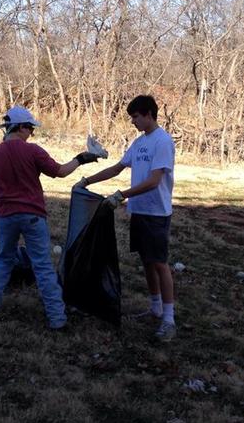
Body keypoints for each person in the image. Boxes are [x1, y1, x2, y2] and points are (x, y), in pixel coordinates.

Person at [0, 106, 99, 329]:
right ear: (19, 127)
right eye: (30, 128)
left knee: (2, 262)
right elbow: (60, 172)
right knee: (42, 267)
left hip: (6, 217)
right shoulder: (33, 151)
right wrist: (81, 158)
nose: (31, 133)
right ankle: (58, 320)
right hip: (33, 216)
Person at [74, 95, 177, 342]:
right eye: (132, 117)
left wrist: (121, 195)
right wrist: (88, 180)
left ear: (149, 114)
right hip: (139, 212)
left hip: (156, 213)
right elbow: (117, 168)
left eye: (136, 117)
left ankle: (169, 319)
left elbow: (154, 181)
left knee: (160, 263)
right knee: (146, 261)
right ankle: (155, 307)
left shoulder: (162, 142)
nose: (133, 121)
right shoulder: (140, 143)